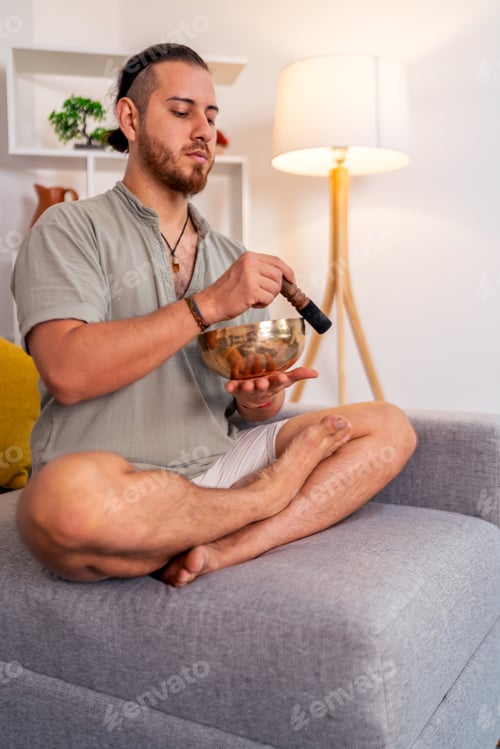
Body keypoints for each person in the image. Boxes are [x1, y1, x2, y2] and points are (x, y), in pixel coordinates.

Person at [11, 43, 416, 587]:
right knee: (59, 505)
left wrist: (260, 398)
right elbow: (69, 372)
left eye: (211, 115)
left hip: (217, 468)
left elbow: (245, 408)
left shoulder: (228, 254)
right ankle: (266, 498)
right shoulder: (68, 228)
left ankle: (240, 541)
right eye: (181, 112)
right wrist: (208, 304)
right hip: (115, 478)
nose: (202, 129)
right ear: (130, 119)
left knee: (389, 426)